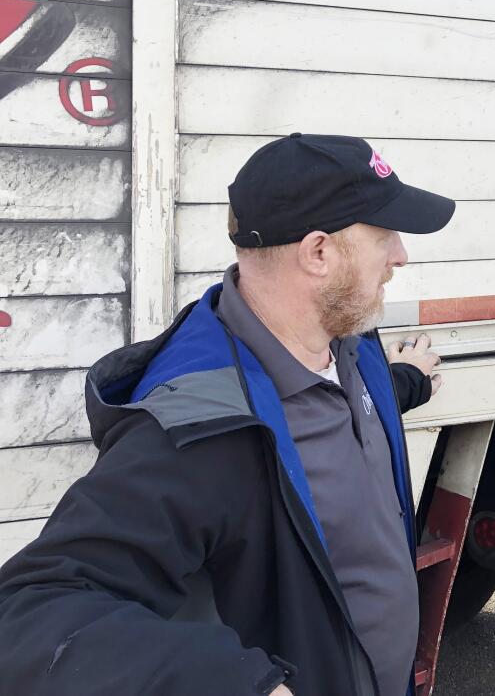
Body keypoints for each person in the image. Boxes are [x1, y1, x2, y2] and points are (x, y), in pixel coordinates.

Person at [0, 134, 455, 696]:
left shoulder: (349, 341)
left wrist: (408, 381)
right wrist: (234, 683)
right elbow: (31, 610)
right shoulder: (201, 427)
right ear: (318, 253)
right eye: (384, 235)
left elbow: (343, 412)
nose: (400, 256)